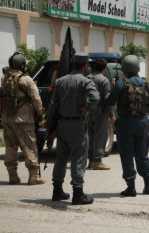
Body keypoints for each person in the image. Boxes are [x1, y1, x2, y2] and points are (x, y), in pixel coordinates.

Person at [47, 52, 100, 205]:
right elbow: (95, 98)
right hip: (77, 124)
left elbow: (53, 105)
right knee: (79, 157)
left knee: (61, 158)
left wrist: (51, 127)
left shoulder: (60, 81)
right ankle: (78, 193)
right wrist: (87, 107)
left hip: (62, 124)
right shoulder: (85, 81)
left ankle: (57, 190)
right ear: (85, 65)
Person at [105, 55, 149, 197]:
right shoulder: (147, 85)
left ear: (125, 69)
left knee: (127, 154)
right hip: (142, 122)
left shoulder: (121, 84)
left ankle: (131, 187)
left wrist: (113, 86)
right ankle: (148, 185)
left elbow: (109, 102)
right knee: (142, 154)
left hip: (126, 123)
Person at [1, 52, 45, 185]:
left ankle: (13, 176)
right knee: (29, 146)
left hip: (8, 118)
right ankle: (33, 176)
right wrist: (40, 112)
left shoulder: (4, 78)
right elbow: (36, 98)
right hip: (24, 119)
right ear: (22, 64)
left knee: (10, 147)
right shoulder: (27, 80)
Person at [86, 58, 115, 170]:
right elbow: (107, 98)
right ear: (104, 68)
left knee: (90, 135)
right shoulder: (104, 80)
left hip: (88, 110)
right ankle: (97, 160)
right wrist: (112, 114)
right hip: (100, 110)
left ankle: (91, 160)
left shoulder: (87, 78)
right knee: (100, 136)